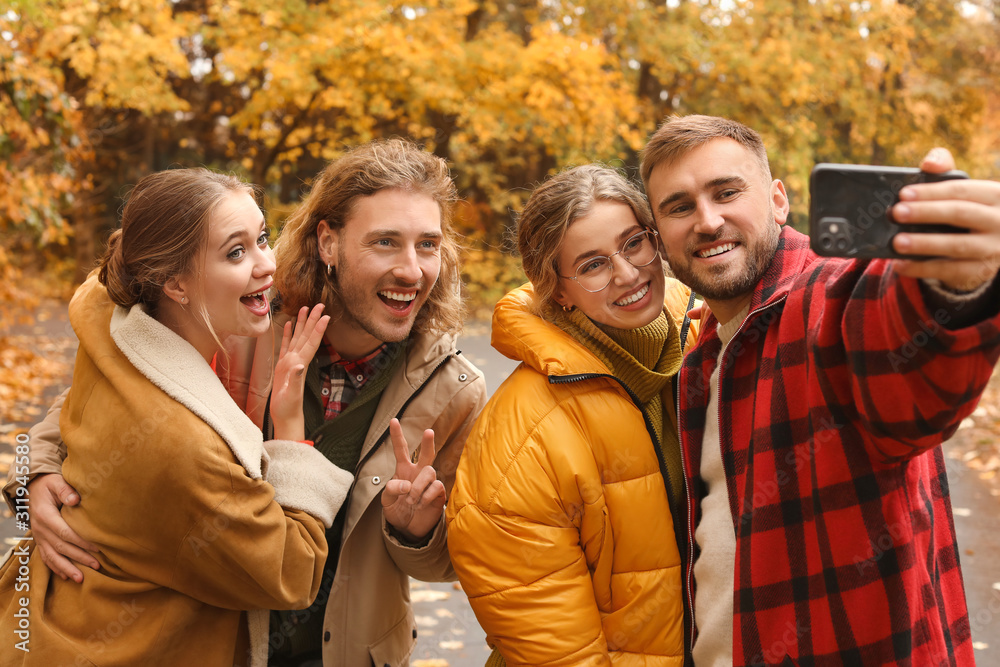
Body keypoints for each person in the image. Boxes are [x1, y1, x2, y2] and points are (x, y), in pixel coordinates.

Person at [6, 139, 488, 667]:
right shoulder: (239, 316)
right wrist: (29, 483)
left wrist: (413, 531)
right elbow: (95, 396)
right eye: (385, 243)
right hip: (222, 641)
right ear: (327, 242)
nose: (412, 270)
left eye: (428, 245)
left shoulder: (454, 388)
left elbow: (448, 560)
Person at [639, 114, 1000, 665]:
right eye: (679, 207)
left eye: (726, 192)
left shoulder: (823, 302)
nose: (707, 221)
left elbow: (896, 333)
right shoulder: (698, 360)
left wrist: (953, 285)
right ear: (661, 235)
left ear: (779, 201)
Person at [0, 168, 354, 667]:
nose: (266, 264)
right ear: (175, 283)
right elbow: (291, 573)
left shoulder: (115, 315)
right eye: (236, 252)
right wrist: (290, 431)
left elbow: (74, 402)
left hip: (34, 624)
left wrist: (27, 477)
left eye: (262, 238)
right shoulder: (185, 448)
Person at [447, 165, 699, 665]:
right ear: (557, 290)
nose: (627, 274)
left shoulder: (702, 345)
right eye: (591, 265)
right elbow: (555, 647)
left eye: (634, 244)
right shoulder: (524, 435)